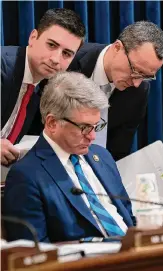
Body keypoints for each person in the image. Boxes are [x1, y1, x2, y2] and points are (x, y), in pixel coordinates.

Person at [3, 72, 135, 242]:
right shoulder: (27, 176)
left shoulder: (102, 156)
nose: (92, 137)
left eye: (97, 126)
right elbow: (33, 252)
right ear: (52, 123)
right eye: (84, 127)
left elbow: (129, 217)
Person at [66, 21, 163, 161]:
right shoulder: (69, 60)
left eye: (146, 76)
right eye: (135, 71)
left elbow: (119, 151)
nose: (136, 83)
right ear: (117, 48)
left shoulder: (140, 90)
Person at [1, 8, 86, 166]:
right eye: (51, 45)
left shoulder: (46, 86)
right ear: (33, 37)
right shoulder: (2, 66)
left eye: (66, 54)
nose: (55, 59)